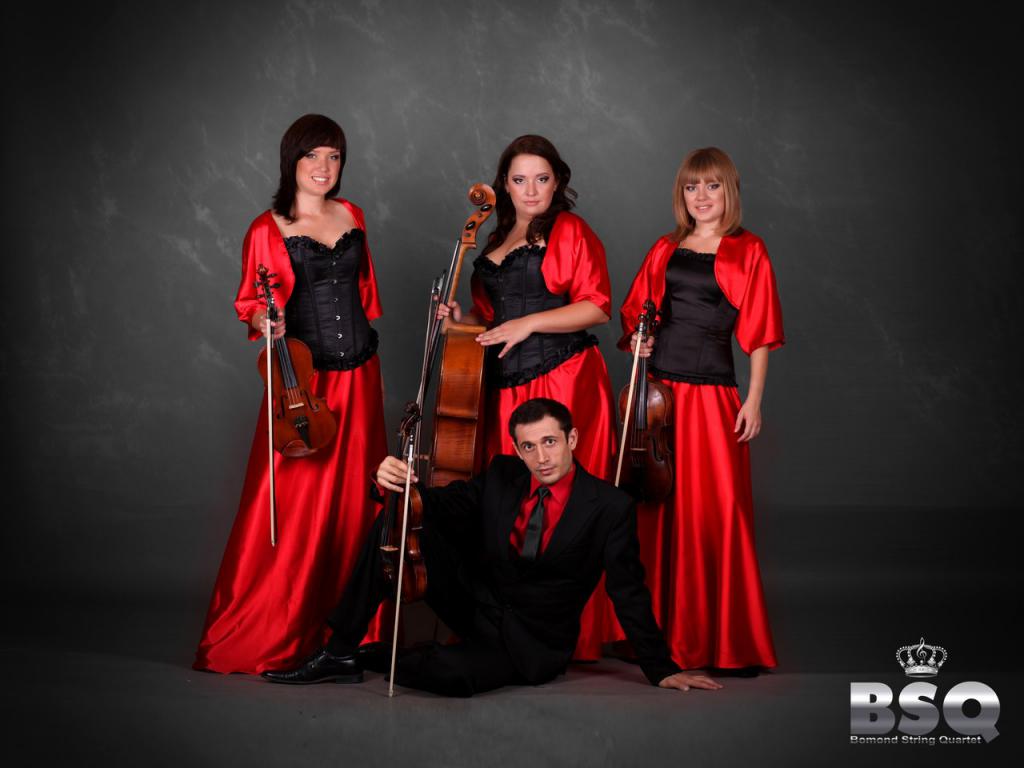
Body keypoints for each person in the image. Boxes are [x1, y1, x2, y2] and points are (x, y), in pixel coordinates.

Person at [261, 398, 723, 697]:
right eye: (529, 447)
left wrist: (661, 668)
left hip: (529, 641)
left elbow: (629, 592)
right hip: (475, 604)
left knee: (452, 678)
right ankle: (341, 650)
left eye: (550, 442)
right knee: (396, 521)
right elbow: (441, 505)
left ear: (572, 439)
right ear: (517, 450)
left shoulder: (609, 506)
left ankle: (381, 655)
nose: (541, 457)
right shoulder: (504, 474)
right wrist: (393, 483)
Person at [194, 114, 388, 674]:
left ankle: (353, 631)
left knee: (358, 500)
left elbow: (363, 292)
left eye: (334, 156)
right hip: (304, 382)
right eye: (312, 156)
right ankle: (284, 623)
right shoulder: (267, 226)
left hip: (360, 375)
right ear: (292, 161)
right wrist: (265, 321)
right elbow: (251, 304)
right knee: (296, 505)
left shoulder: (352, 214)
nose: (324, 167)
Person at [435, 134, 621, 658]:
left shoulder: (571, 230)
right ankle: (509, 624)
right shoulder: (495, 238)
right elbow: (492, 322)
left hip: (564, 377)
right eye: (520, 180)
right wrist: (461, 321)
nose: (531, 190)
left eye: (542, 178)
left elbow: (597, 306)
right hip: (506, 386)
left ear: (557, 182)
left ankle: (569, 633)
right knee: (508, 505)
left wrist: (529, 323)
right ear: (505, 185)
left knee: (564, 504)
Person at [618, 147, 784, 673]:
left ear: (728, 191)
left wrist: (754, 399)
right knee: (659, 507)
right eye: (692, 187)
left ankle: (725, 642)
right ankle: (654, 635)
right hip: (661, 397)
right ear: (681, 194)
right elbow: (639, 312)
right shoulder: (665, 247)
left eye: (712, 186)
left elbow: (760, 332)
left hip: (713, 397)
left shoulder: (749, 249)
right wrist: (639, 339)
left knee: (716, 510)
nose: (701, 196)